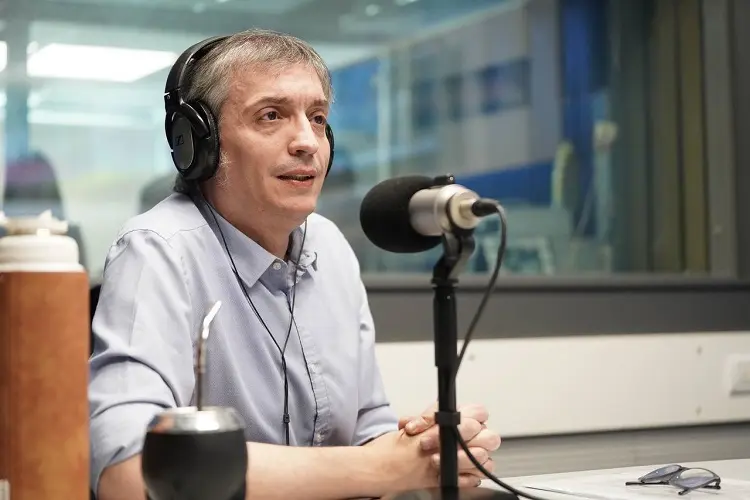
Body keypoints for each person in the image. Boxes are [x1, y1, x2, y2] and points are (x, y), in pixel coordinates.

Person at [89, 29, 501, 500]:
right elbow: (129, 474)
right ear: (199, 143)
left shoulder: (329, 246)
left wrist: (428, 454)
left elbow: (368, 430)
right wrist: (380, 467)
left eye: (318, 118)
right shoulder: (156, 251)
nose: (308, 142)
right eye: (271, 115)